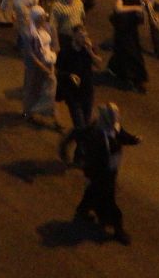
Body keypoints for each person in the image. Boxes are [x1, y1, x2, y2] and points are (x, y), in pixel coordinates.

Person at [59, 101, 138, 244]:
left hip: (109, 171)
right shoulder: (96, 133)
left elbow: (121, 134)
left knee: (92, 192)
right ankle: (118, 229)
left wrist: (132, 140)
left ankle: (83, 210)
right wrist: (65, 150)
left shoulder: (113, 128)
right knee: (109, 201)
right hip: (99, 173)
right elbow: (76, 134)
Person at [108, 0, 151, 93]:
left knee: (124, 51)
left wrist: (143, 4)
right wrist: (135, 8)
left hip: (132, 28)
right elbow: (118, 9)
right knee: (132, 54)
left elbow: (139, 4)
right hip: (123, 29)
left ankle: (115, 69)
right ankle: (137, 80)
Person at [20, 5, 60, 127]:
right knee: (32, 88)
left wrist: (51, 59)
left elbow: (55, 46)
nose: (43, 19)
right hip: (34, 66)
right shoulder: (28, 32)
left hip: (48, 63)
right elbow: (30, 53)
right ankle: (28, 112)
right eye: (40, 17)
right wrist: (41, 66)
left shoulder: (49, 28)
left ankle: (52, 116)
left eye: (43, 16)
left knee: (50, 89)